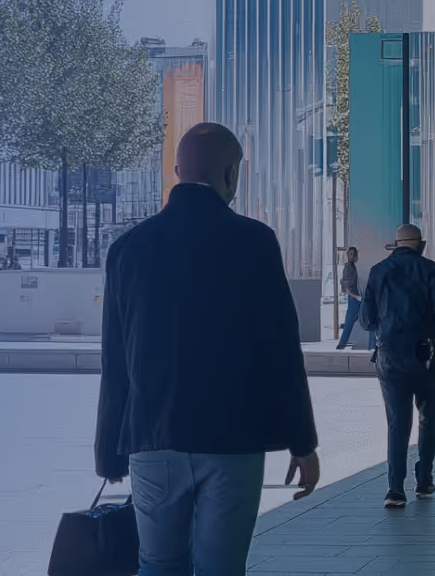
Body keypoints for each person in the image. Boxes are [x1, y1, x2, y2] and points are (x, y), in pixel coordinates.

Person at [97, 123, 321, 576]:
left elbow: (116, 361)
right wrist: (302, 441)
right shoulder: (255, 242)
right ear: (231, 173)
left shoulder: (128, 250)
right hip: (233, 441)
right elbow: (280, 350)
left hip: (151, 437)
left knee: (158, 565)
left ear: (178, 171)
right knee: (221, 568)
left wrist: (109, 451)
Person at [359, 223, 435, 509]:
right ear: (420, 243)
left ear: (396, 244)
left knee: (397, 422)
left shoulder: (378, 272)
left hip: (389, 356)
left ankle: (395, 488)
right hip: (424, 354)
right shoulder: (432, 270)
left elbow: (366, 319)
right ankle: (424, 478)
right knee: (429, 414)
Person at [335, 247, 364, 350]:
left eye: (353, 254)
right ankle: (342, 344)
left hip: (356, 297)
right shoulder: (348, 267)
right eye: (350, 254)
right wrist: (356, 297)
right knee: (350, 322)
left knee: (354, 319)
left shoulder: (352, 267)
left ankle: (342, 343)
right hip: (354, 298)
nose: (352, 256)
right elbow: (346, 287)